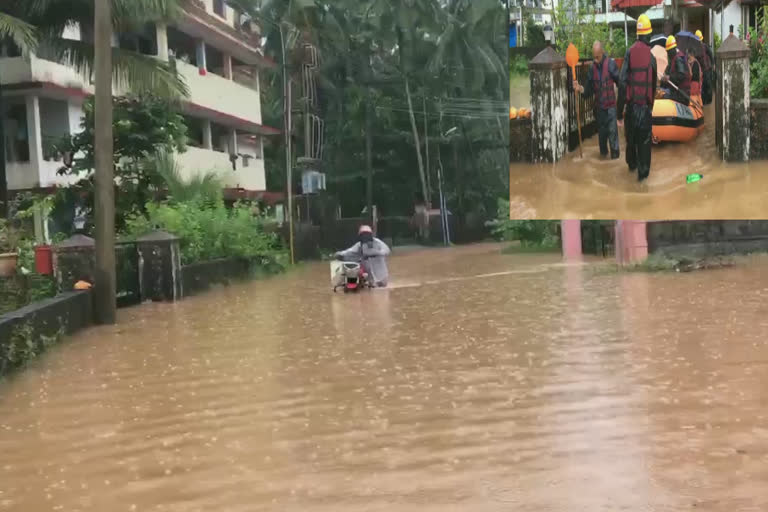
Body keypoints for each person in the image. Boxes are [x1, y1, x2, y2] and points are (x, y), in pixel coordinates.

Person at [618, 14, 657, 182]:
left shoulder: (629, 53)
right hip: (645, 109)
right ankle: (642, 181)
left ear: (637, 34)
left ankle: (631, 168)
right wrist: (650, 109)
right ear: (648, 35)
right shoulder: (653, 58)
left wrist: (619, 113)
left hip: (632, 109)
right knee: (644, 146)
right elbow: (653, 87)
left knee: (631, 142)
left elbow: (621, 83)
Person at [573, 40, 621, 160]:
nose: (595, 60)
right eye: (594, 57)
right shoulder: (591, 69)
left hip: (611, 109)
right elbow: (588, 91)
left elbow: (621, 83)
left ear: (602, 53)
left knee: (613, 137)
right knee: (602, 140)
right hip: (600, 110)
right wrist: (579, 88)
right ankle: (604, 161)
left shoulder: (611, 64)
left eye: (598, 57)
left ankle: (615, 158)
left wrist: (622, 106)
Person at [661, 35, 692, 105]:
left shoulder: (678, 59)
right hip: (676, 92)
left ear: (672, 50)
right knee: (662, 91)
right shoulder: (673, 59)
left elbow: (681, 75)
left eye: (668, 51)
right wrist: (664, 79)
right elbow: (669, 73)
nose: (668, 53)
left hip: (682, 95)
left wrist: (669, 77)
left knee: (663, 96)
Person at [696, 29, 716, 105]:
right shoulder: (696, 49)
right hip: (701, 70)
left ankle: (709, 100)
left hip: (707, 68)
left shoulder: (705, 46)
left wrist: (713, 64)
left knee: (708, 84)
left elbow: (711, 54)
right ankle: (704, 101)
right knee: (703, 86)